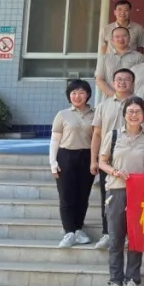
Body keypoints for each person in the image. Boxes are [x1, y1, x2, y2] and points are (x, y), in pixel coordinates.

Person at [99, 95, 144, 286]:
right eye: (130, 111)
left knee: (136, 239)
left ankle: (132, 282)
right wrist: (114, 172)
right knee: (115, 239)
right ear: (124, 115)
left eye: (138, 111)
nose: (134, 115)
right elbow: (102, 162)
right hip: (116, 190)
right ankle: (115, 283)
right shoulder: (113, 136)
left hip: (139, 194)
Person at [90, 68, 141, 250]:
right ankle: (107, 233)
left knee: (133, 200)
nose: (122, 82)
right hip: (109, 160)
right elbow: (96, 134)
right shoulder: (103, 105)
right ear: (112, 82)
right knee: (108, 199)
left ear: (132, 83)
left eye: (127, 79)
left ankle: (130, 234)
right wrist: (94, 160)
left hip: (133, 159)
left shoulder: (139, 104)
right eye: (119, 79)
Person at [50, 79, 96, 248]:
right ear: (69, 96)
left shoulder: (95, 113)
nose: (77, 96)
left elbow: (97, 138)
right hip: (66, 156)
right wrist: (53, 162)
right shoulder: (62, 114)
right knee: (66, 195)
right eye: (73, 93)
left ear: (88, 94)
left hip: (87, 156)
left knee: (83, 196)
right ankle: (69, 231)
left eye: (81, 92)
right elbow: (55, 140)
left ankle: (78, 229)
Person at [95, 26, 143, 97]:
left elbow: (140, 81)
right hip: (109, 99)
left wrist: (128, 97)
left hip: (131, 100)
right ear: (112, 40)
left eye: (124, 36)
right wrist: (115, 96)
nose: (121, 39)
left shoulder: (139, 57)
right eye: (117, 37)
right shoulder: (104, 58)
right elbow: (99, 80)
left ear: (129, 38)